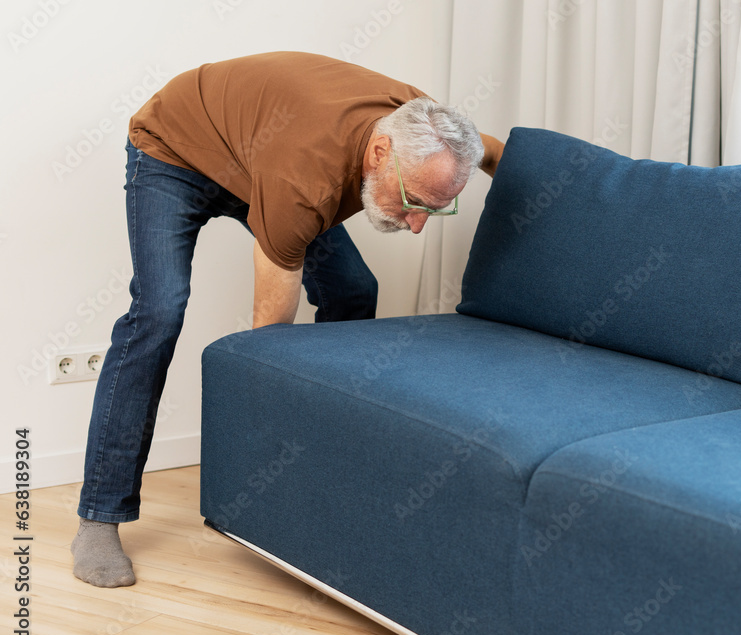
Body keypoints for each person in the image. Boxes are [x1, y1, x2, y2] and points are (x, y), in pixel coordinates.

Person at [72, 51, 505, 587]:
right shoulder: (307, 178)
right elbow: (268, 342)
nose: (417, 226)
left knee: (353, 291)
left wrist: (551, 185)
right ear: (379, 152)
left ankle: (323, 465)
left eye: (435, 209)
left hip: (259, 151)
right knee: (158, 313)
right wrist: (264, 453)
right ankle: (99, 517)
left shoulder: (426, 126)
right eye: (414, 201)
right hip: (175, 149)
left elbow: (487, 150)